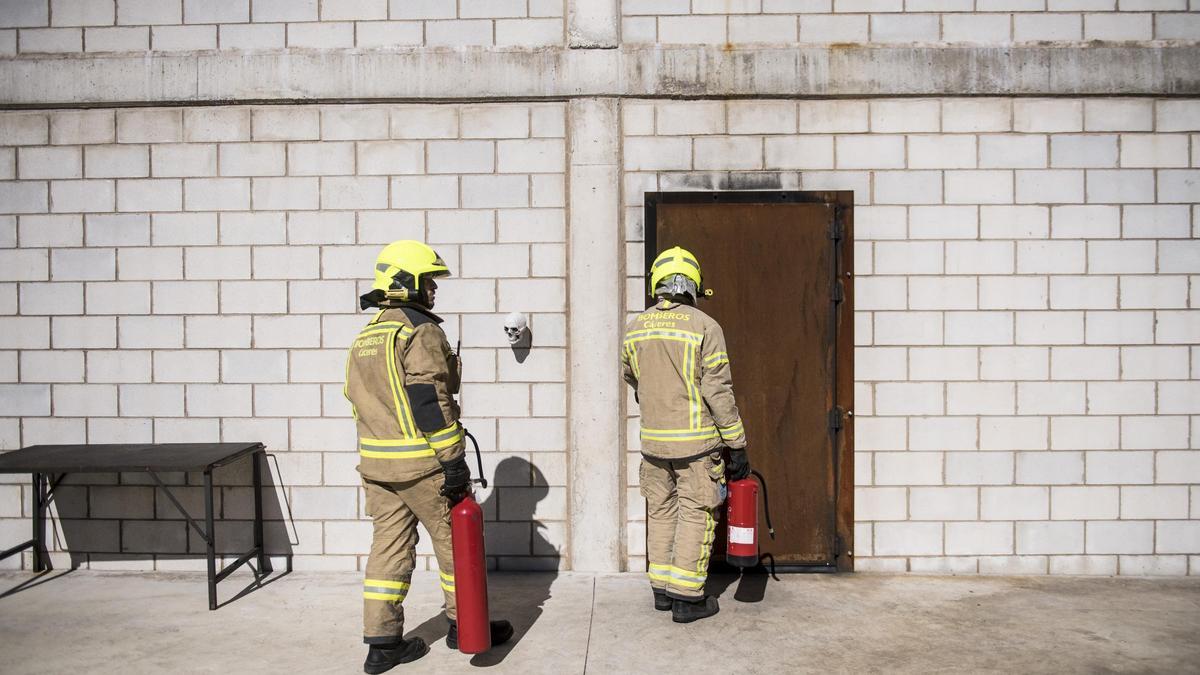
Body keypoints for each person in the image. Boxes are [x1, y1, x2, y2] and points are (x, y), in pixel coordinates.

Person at [345, 240, 512, 673]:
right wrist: (453, 460)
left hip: (378, 466)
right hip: (423, 464)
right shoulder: (419, 330)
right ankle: (465, 625)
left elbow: (357, 399)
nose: (434, 290)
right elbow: (429, 399)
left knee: (388, 550)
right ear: (407, 282)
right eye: (429, 281)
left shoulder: (369, 333)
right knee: (454, 545)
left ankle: (382, 645)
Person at [621, 246, 751, 624]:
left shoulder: (635, 327)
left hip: (653, 443)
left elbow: (631, 378)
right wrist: (737, 444)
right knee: (697, 513)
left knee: (661, 512)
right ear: (693, 283)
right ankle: (687, 598)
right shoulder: (705, 326)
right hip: (696, 444)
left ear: (656, 283)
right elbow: (718, 392)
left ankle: (662, 590)